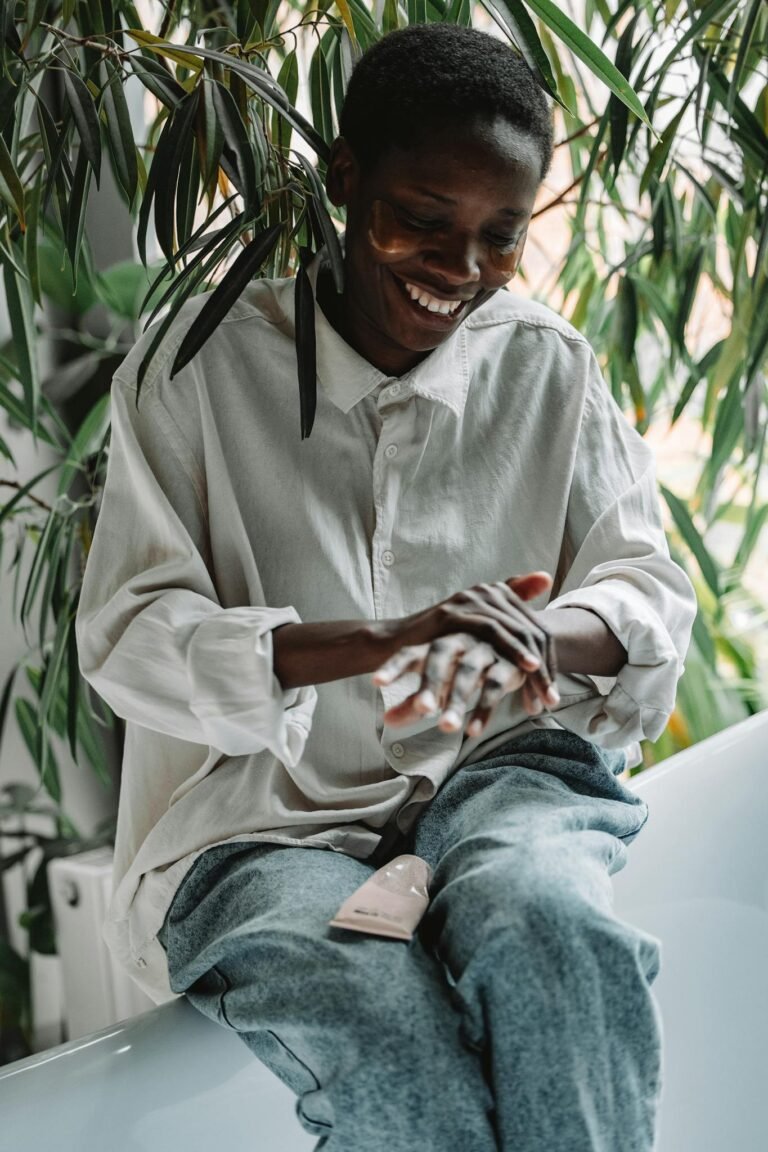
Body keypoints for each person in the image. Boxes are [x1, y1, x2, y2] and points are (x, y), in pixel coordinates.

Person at [76, 22, 697, 1152]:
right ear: (348, 178)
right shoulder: (195, 368)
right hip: (260, 822)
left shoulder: (547, 365)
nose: (460, 270)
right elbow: (130, 637)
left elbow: (647, 588)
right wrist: (377, 641)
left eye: (500, 238)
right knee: (377, 1019)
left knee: (554, 932)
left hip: (507, 772)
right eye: (423, 219)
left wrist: (542, 632)